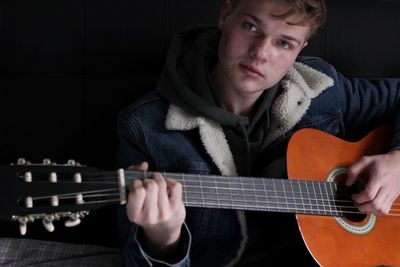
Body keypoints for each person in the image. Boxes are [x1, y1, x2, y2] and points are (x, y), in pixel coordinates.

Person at [116, 0, 400, 266]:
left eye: (284, 43)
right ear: (226, 15)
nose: (260, 53)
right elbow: (135, 256)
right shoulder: (144, 125)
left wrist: (397, 161)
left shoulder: (324, 90)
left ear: (300, 50)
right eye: (250, 27)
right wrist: (164, 239)